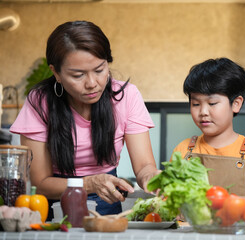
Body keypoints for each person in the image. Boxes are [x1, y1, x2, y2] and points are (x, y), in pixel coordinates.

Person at [10, 21, 159, 219]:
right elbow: (40, 182)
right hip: (53, 200)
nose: (92, 84)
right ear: (56, 73)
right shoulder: (40, 101)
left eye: (99, 70)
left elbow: (144, 166)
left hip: (105, 197)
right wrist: (88, 184)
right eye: (78, 75)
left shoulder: (126, 96)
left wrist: (151, 177)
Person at [172, 57, 245, 225]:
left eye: (212, 103)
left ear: (236, 104)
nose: (203, 112)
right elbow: (169, 201)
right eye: (195, 104)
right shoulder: (183, 149)